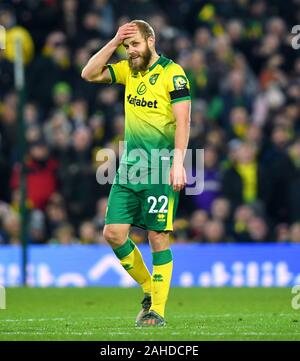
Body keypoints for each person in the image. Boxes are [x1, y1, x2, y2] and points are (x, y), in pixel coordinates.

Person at [82, 20, 191, 327]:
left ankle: (157, 309)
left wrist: (179, 162)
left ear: (151, 41)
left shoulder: (173, 73)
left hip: (160, 164)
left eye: (135, 45)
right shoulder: (128, 71)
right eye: (127, 47)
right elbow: (88, 73)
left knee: (158, 236)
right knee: (113, 233)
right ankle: (147, 287)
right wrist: (114, 39)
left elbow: (184, 122)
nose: (130, 52)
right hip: (130, 167)